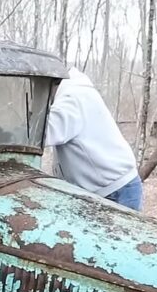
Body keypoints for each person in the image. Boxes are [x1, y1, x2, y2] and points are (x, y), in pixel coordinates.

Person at [45, 69, 143, 211]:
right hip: (111, 186)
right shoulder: (76, 92)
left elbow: (45, 131)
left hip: (115, 191)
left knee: (114, 233)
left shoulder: (72, 98)